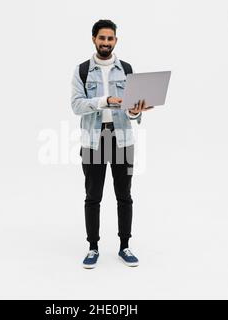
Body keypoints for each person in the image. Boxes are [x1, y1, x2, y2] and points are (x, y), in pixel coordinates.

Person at [71, 19, 153, 269]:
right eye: (102, 38)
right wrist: (105, 100)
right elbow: (76, 105)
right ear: (94, 39)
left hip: (122, 139)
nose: (106, 42)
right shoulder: (82, 70)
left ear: (116, 40)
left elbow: (132, 113)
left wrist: (136, 111)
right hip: (95, 140)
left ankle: (124, 246)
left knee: (124, 195)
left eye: (110, 38)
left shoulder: (126, 69)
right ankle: (93, 247)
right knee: (93, 196)